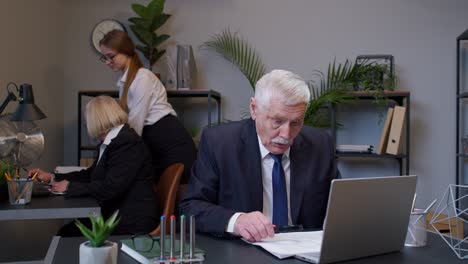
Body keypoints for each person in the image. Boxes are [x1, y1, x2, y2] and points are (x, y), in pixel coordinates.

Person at [180, 69, 338, 242]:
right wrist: (237, 221)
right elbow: (190, 208)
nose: (286, 134)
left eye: (295, 123)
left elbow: (340, 206)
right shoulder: (219, 144)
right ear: (254, 109)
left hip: (304, 251)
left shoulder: (320, 144)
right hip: (245, 253)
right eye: (277, 121)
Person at [29, 96, 158, 236]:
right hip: (117, 213)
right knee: (67, 232)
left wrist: (70, 187)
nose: (86, 123)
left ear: (96, 120)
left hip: (131, 219)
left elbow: (111, 187)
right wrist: (52, 177)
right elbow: (90, 174)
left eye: (87, 119)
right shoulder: (114, 141)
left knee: (66, 233)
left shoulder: (127, 143)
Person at [98, 29, 197, 184]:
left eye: (111, 57)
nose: (107, 62)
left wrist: (114, 149)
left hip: (170, 145)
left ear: (126, 51)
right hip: (155, 144)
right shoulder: (125, 82)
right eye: (104, 58)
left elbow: (135, 124)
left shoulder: (142, 78)